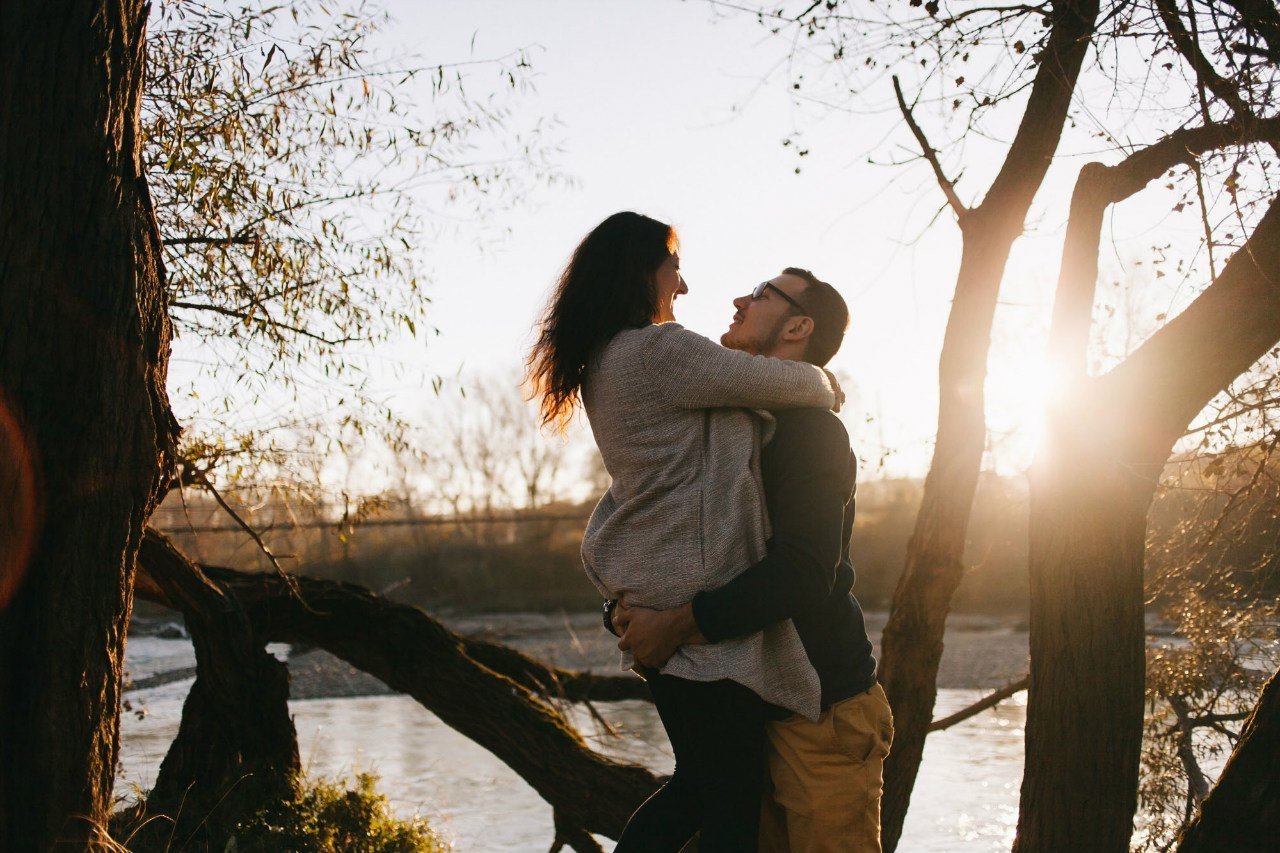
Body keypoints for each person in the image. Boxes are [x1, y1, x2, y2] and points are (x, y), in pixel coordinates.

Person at [526, 213, 840, 852]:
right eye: (675, 269)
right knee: (722, 799)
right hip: (684, 597)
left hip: (660, 587)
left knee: (708, 787)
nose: (685, 287)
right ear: (641, 271)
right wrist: (826, 382)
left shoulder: (611, 356)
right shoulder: (659, 352)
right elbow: (793, 382)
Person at [614, 267, 893, 853]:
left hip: (822, 711)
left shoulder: (813, 432)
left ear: (797, 327)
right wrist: (625, 610)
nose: (740, 299)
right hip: (744, 708)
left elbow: (802, 573)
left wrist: (676, 625)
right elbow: (666, 539)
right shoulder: (721, 426)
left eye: (763, 294)